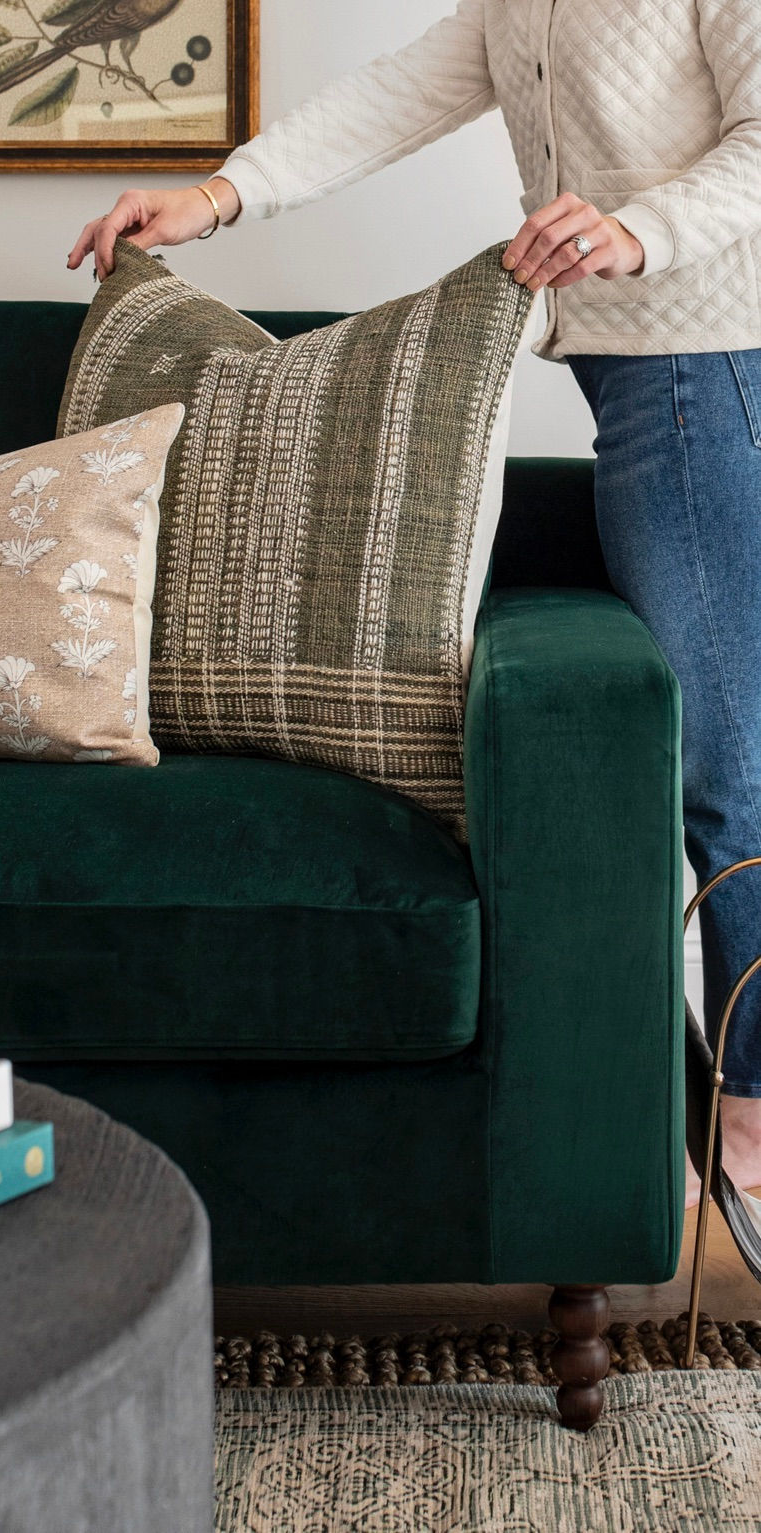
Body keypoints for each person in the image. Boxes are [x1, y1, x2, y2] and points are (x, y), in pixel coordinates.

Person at [68, 1, 761, 1203]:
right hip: (641, 374)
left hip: (710, 364)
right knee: (706, 738)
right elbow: (392, 97)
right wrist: (216, 198)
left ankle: (751, 1098)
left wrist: (634, 230)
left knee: (724, 755)